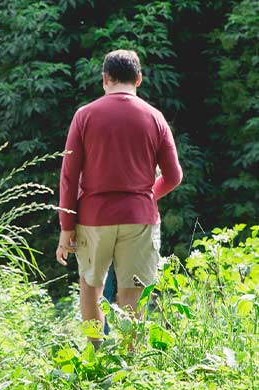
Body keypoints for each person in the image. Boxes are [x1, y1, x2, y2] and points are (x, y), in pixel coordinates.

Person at [56, 49, 183, 347]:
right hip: (139, 218)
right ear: (138, 79)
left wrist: (66, 227)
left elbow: (69, 177)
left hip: (93, 218)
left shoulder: (84, 115)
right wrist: (146, 196)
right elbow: (174, 176)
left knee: (90, 288)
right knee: (132, 296)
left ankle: (96, 356)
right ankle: (128, 368)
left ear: (104, 79)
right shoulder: (155, 117)